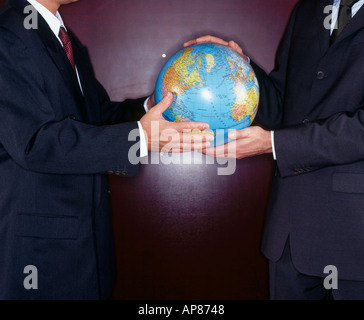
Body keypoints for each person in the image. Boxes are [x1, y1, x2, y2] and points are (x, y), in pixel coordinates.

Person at [0, 0, 213, 299]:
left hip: (87, 247)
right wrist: (139, 137)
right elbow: (34, 141)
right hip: (40, 254)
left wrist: (149, 106)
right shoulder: (7, 33)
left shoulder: (65, 38)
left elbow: (96, 119)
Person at [186, 0, 364, 299]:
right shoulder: (308, 9)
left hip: (354, 235)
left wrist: (273, 144)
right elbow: (284, 106)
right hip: (289, 236)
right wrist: (241, 68)